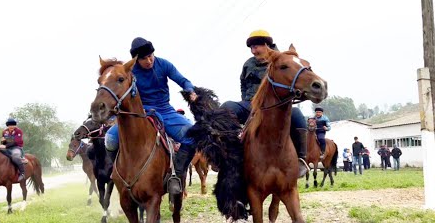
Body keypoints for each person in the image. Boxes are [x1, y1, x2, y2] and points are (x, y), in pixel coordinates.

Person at [105, 37, 198, 196]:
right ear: (136, 60)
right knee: (111, 139)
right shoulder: (129, 71)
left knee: (194, 135)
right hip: (141, 113)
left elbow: (183, 80)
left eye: (151, 56)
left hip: (165, 110)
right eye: (144, 58)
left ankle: (176, 175)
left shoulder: (164, 64)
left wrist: (190, 90)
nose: (149, 60)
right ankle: (117, 173)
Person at [220, 29, 309, 178]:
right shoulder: (248, 64)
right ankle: (226, 154)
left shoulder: (283, 60)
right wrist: (246, 99)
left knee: (298, 115)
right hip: (251, 103)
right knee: (226, 108)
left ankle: (301, 159)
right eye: (251, 48)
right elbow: (243, 82)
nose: (253, 51)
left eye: (255, 47)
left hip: (277, 106)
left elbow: (294, 79)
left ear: (266, 44)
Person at [0, 117, 25, 181]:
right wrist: (3, 142)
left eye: (13, 125)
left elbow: (16, 141)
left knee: (15, 157)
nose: (11, 126)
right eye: (10, 125)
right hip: (7, 148)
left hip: (17, 148)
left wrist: (6, 144)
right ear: (7, 125)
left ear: (15, 125)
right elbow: (4, 142)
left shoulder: (18, 131)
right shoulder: (4, 132)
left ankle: (22, 173)